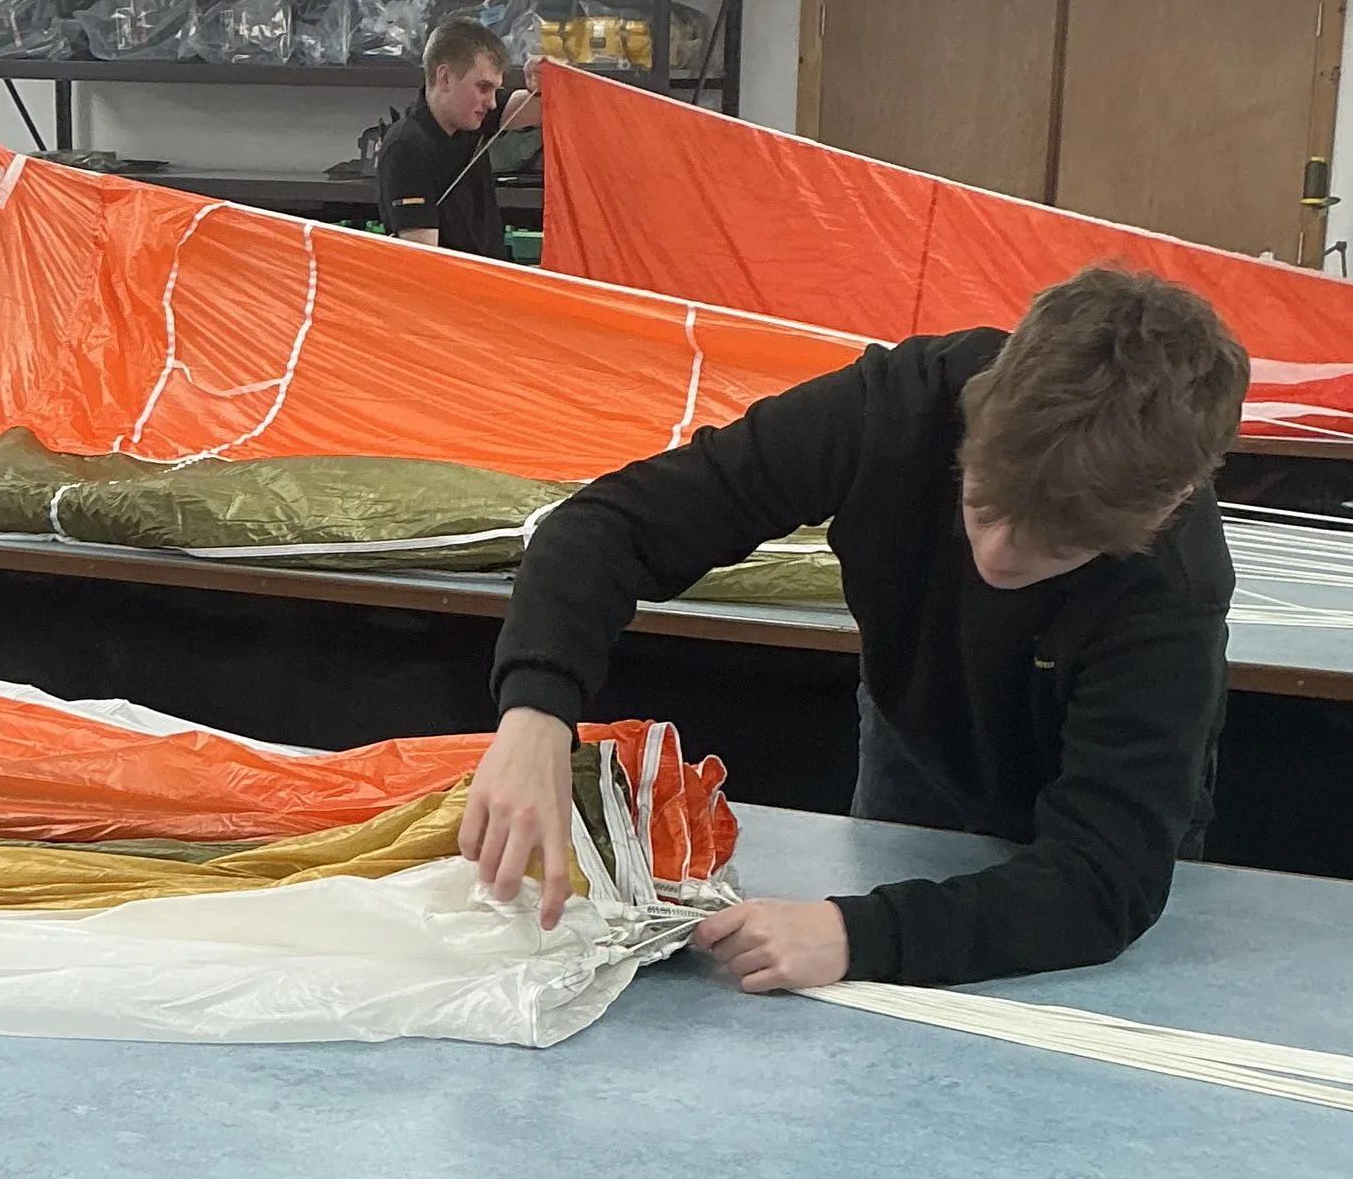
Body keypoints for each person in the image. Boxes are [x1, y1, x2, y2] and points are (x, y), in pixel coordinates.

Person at [461, 264, 1250, 992]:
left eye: (1059, 541)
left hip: (1089, 821)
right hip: (919, 730)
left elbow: (1101, 884)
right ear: (979, 411)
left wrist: (854, 933)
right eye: (983, 498)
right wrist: (535, 712)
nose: (998, 554)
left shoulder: (1173, 586)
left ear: (1165, 506)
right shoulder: (901, 406)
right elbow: (606, 527)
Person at [375, 16, 543, 258]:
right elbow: (424, 263)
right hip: (453, 291)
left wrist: (548, 78)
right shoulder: (407, 147)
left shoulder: (472, 119)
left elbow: (549, 107)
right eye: (483, 88)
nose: (493, 102)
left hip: (489, 283)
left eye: (496, 90)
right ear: (445, 78)